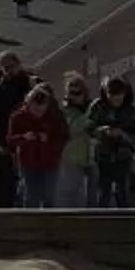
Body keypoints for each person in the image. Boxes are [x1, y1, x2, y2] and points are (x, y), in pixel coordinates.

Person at [6, 83, 70, 209]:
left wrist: (48, 139)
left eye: (41, 111)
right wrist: (24, 137)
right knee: (31, 196)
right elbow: (10, 140)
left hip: (50, 161)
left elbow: (64, 137)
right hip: (28, 162)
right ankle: (29, 225)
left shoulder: (56, 116)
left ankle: (49, 226)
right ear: (28, 104)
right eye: (35, 110)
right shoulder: (18, 117)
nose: (38, 114)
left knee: (49, 196)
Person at [86, 77, 135, 209]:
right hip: (102, 154)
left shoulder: (132, 109)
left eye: (119, 98)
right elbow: (88, 126)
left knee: (122, 191)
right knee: (103, 191)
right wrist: (102, 131)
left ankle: (124, 221)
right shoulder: (97, 106)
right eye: (112, 97)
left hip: (124, 155)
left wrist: (123, 135)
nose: (115, 101)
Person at [0, 51, 34, 205]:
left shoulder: (31, 85)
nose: (8, 70)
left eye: (11, 66)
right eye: (4, 67)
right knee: (11, 178)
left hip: (31, 137)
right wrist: (0, 142)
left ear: (18, 64)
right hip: (11, 139)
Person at [56, 73, 94, 206]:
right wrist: (90, 115)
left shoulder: (93, 108)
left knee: (86, 201)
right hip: (69, 160)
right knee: (66, 199)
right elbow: (71, 130)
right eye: (71, 93)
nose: (74, 96)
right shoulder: (63, 111)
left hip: (90, 161)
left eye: (78, 92)